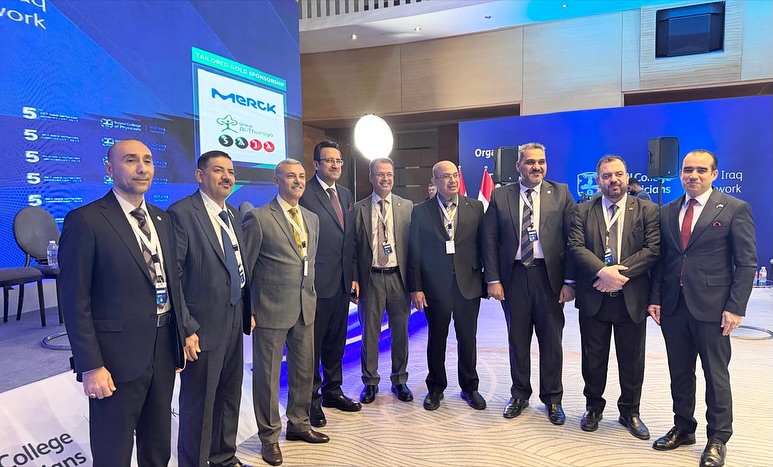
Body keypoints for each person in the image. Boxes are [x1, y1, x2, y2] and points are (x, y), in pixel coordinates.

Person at [59, 139, 199, 466]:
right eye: (131, 160)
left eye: (147, 161)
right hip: (115, 358)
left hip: (163, 349)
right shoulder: (86, 220)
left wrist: (183, 332)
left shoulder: (163, 219)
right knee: (113, 452)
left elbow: (171, 283)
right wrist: (90, 365)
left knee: (157, 446)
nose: (142, 168)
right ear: (110, 168)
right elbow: (74, 300)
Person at [648, 149, 756, 467]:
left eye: (700, 170)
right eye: (687, 169)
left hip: (714, 308)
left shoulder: (735, 208)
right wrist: (655, 298)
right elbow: (663, 261)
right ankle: (683, 428)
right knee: (680, 373)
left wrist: (736, 307)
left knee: (715, 375)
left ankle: (718, 438)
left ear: (714, 174)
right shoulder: (667, 211)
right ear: (680, 173)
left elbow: (746, 262)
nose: (693, 175)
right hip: (674, 306)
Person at [168, 151, 254, 467]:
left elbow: (240, 266)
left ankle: (223, 457)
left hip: (234, 315)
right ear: (200, 175)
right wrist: (186, 327)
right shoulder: (181, 213)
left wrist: (247, 307)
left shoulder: (232, 213)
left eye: (230, 171)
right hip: (202, 324)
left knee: (229, 393)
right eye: (218, 170)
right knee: (200, 403)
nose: (226, 177)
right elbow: (174, 277)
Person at [242, 159, 329, 466]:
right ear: (276, 180)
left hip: (305, 306)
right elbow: (247, 269)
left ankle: (299, 424)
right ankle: (269, 437)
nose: (298, 181)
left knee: (304, 371)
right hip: (269, 309)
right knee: (267, 377)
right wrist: (249, 309)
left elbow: (309, 262)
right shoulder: (259, 217)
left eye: (301, 176)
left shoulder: (311, 218)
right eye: (291, 176)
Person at [482, 142, 576, 424]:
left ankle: (553, 399)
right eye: (530, 162)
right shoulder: (501, 196)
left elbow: (573, 240)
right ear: (518, 166)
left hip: (549, 278)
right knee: (518, 340)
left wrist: (570, 281)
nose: (537, 167)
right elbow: (489, 239)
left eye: (541, 162)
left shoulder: (561, 193)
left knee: (552, 342)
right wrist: (493, 279)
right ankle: (520, 394)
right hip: (514, 277)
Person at [568, 155, 660, 441]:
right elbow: (576, 246)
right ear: (599, 181)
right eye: (607, 176)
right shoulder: (582, 210)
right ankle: (593, 408)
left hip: (631, 298)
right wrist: (601, 272)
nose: (613, 180)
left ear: (627, 176)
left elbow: (652, 250)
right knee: (592, 358)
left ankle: (630, 411)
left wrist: (615, 274)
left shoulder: (647, 210)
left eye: (618, 174)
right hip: (594, 296)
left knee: (632, 360)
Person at [408, 160, 486, 411]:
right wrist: (416, 287)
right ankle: (435, 387)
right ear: (434, 181)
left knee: (468, 338)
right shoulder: (421, 211)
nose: (452, 180)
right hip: (435, 286)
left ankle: (470, 387)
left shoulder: (475, 207)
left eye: (455, 176)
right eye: (445, 177)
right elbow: (414, 252)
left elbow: (485, 246)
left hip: (468, 284)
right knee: (437, 338)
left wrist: (489, 280)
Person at [300, 140, 361, 427]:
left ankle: (332, 391)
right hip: (316, 284)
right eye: (329, 161)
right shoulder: (305, 193)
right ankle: (311, 401)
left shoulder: (346, 194)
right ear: (316, 165)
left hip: (342, 283)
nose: (335, 165)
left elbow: (350, 240)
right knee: (313, 347)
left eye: (338, 161)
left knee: (337, 343)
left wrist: (354, 275)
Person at [352, 157, 414, 404]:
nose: (385, 178)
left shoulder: (407, 206)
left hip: (399, 278)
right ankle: (370, 382)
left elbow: (414, 248)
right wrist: (354, 279)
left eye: (389, 174)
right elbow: (352, 249)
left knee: (400, 332)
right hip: (371, 279)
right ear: (371, 177)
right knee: (369, 334)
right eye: (380, 174)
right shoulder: (358, 208)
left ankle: (399, 380)